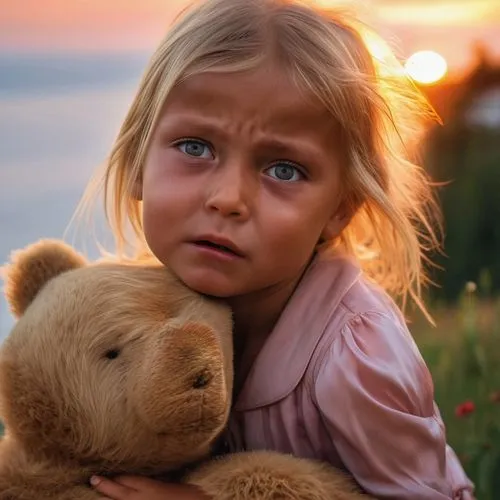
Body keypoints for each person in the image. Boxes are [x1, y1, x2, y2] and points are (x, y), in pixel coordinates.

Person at [75, 0, 475, 498]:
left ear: (340, 208)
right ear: (137, 161)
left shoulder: (352, 358)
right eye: (196, 147)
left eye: (283, 169)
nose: (227, 199)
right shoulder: (141, 313)